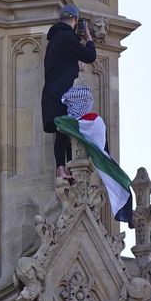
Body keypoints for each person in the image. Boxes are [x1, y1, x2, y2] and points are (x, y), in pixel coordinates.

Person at [57, 85, 133, 225]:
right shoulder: (65, 124)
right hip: (73, 171)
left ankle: (124, 207)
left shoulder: (95, 122)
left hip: (88, 169)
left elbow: (104, 153)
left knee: (111, 179)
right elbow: (60, 145)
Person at [41, 5, 96, 181]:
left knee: (65, 132)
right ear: (76, 20)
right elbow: (89, 56)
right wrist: (88, 38)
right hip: (60, 95)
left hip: (53, 94)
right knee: (63, 131)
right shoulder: (65, 37)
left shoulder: (57, 38)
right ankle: (62, 170)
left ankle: (66, 170)